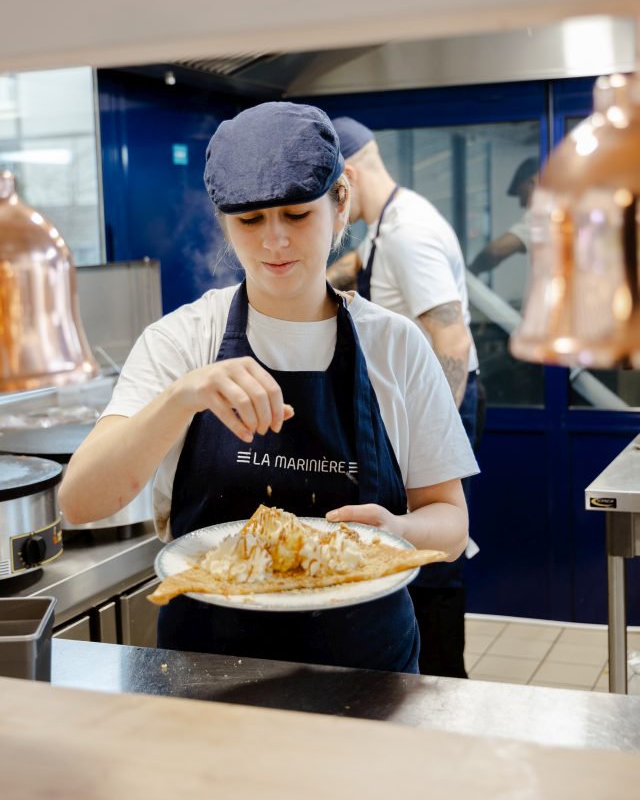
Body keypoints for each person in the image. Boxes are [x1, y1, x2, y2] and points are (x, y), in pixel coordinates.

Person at [58, 101, 478, 674]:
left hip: (366, 671)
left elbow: (450, 523)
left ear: (340, 203)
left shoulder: (396, 346)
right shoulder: (184, 340)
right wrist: (184, 395)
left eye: (296, 215)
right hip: (206, 673)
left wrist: (399, 532)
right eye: (250, 221)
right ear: (225, 224)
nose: (274, 241)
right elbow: (81, 502)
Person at [327, 116, 480, 678]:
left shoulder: (408, 233)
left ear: (346, 177)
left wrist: (432, 443)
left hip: (443, 397)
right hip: (421, 405)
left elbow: (451, 337)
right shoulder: (386, 225)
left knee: (431, 558)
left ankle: (444, 690)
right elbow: (360, 265)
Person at [469, 157, 538, 275]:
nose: (522, 205)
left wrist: (470, 272)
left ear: (532, 183)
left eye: (522, 195)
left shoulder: (544, 215)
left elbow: (495, 252)